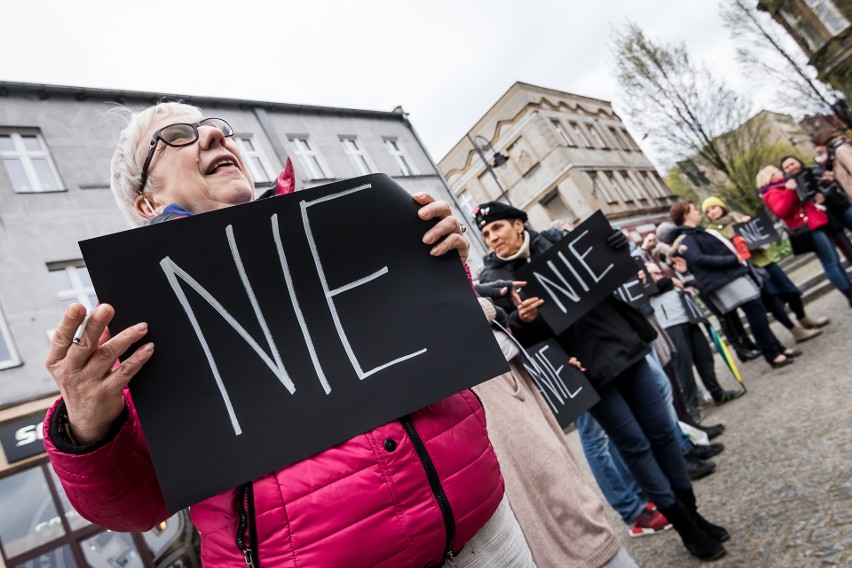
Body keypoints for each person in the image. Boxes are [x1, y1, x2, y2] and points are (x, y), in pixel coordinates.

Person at [43, 102, 535, 568]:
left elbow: (443, 350)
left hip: (486, 536)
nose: (214, 134)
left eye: (214, 127)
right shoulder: (132, 325)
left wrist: (443, 266)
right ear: (147, 200)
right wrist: (87, 430)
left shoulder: (336, 230)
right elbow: (133, 507)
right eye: (177, 137)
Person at [475, 201, 729, 561]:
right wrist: (523, 320)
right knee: (635, 446)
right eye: (485, 234)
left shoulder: (556, 241)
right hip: (585, 372)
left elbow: (609, 268)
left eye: (497, 228)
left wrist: (613, 246)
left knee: (663, 433)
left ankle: (692, 510)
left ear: (518, 224)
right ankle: (685, 525)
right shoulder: (494, 281)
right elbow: (514, 338)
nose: (492, 238)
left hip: (622, 345)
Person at [472, 292, 638, 567]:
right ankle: (628, 515)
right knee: (550, 486)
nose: (495, 244)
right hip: (488, 388)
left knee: (562, 478)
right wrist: (491, 309)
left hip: (509, 375)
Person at [667, 201, 799, 369]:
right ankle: (772, 354)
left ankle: (777, 349)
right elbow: (698, 259)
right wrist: (733, 259)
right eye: (693, 210)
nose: (698, 212)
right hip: (724, 279)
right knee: (756, 313)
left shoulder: (696, 233)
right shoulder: (686, 238)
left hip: (731, 275)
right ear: (685, 214)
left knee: (757, 312)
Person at [702, 195, 829, 343]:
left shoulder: (737, 217)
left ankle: (803, 318)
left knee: (790, 290)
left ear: (722, 206)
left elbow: (759, 233)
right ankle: (795, 330)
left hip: (765, 260)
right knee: (773, 300)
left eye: (714, 207)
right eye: (708, 211)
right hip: (750, 268)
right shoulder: (713, 232)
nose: (712, 212)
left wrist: (753, 227)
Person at [644, 261, 744, 418]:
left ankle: (717, 392)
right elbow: (660, 286)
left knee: (704, 358)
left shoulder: (670, 281)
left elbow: (691, 284)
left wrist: (682, 280)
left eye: (658, 272)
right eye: (652, 274)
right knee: (683, 367)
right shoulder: (649, 287)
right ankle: (691, 406)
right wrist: (672, 281)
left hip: (690, 319)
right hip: (670, 325)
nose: (657, 276)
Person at [759, 165, 852, 307]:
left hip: (815, 224)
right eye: (777, 172)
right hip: (808, 229)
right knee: (830, 262)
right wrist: (790, 191)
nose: (781, 173)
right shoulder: (772, 193)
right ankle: (849, 293)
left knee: (833, 259)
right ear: (770, 177)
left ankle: (849, 289)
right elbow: (782, 211)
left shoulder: (782, 187)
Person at [812, 128, 852, 198]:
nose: (816, 150)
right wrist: (835, 179)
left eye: (815, 146)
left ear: (822, 142)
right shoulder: (834, 154)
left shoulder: (840, 151)